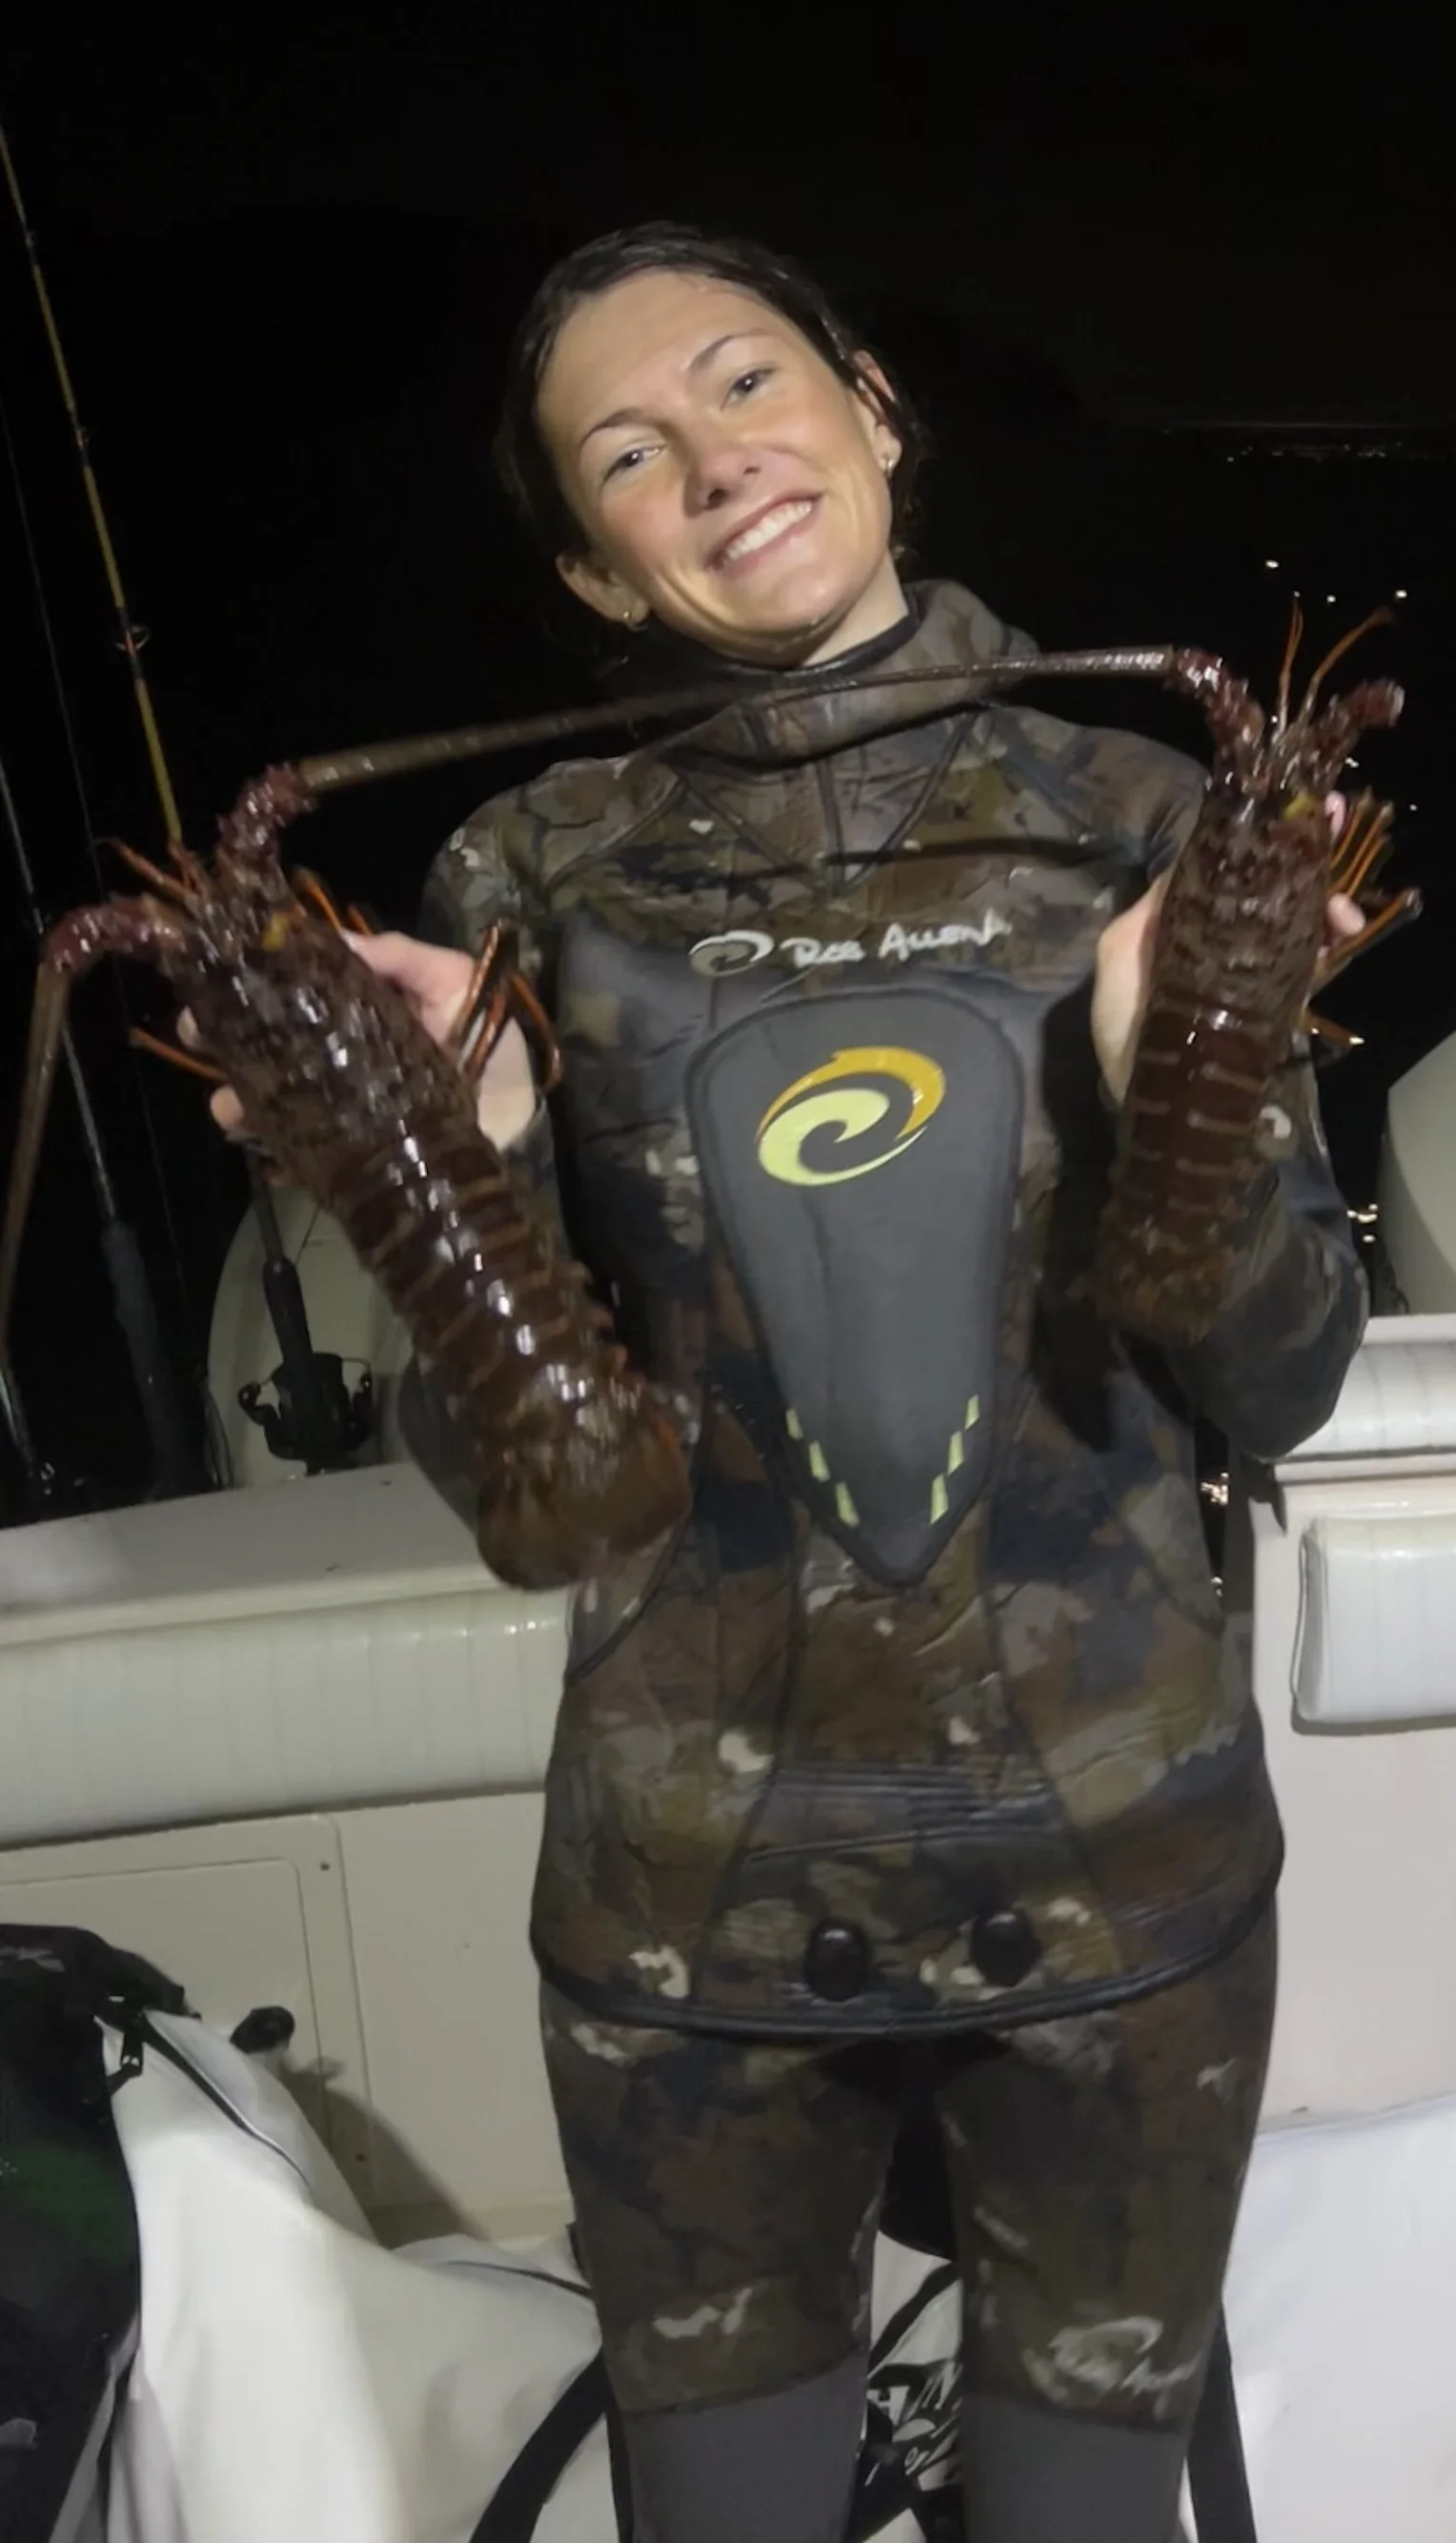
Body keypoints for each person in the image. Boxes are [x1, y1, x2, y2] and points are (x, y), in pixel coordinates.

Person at [232, 225, 1367, 2543]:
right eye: (629, 456)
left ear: (869, 403)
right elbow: (538, 1507)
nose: (718, 457)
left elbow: (1283, 1375)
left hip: (1121, 1887)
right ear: (596, 565)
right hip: (692, 1924)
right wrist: (451, 1187)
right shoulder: (526, 872)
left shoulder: (1144, 813)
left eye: (751, 382)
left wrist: (1190, 1092)